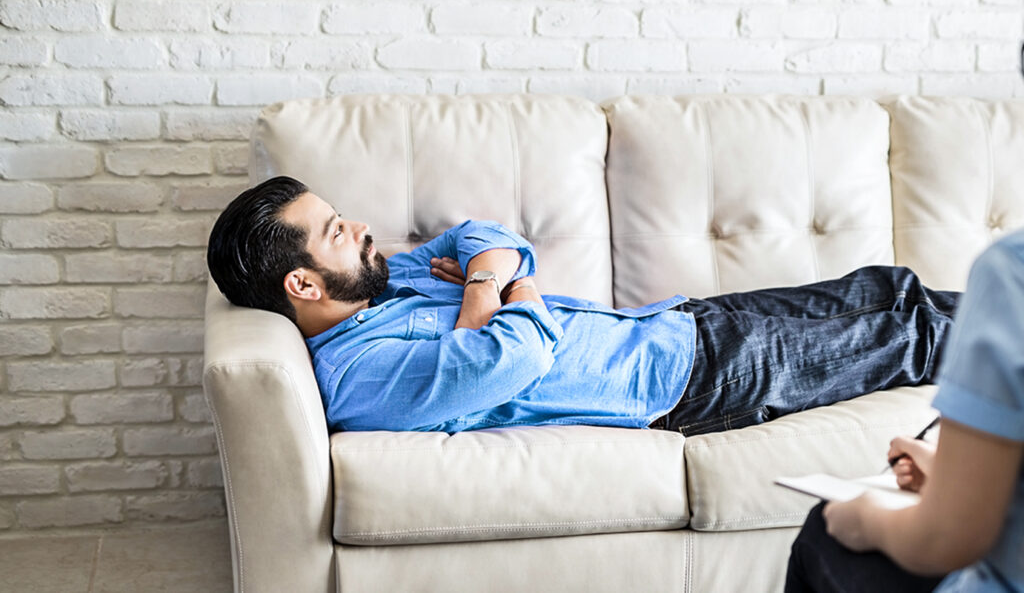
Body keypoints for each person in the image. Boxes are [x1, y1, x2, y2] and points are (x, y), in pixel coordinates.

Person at [206, 175, 959, 435]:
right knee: (915, 338)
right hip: (695, 382)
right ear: (301, 286)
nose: (363, 227)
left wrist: (486, 287)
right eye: (338, 232)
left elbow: (486, 235)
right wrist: (501, 287)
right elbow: (519, 353)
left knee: (891, 292)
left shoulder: (381, 286)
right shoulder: (358, 373)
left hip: (681, 323)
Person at [784, 229, 1024, 593]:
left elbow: (947, 538)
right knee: (893, 292)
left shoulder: (1011, 269)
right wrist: (957, 479)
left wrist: (864, 520)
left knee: (824, 527)